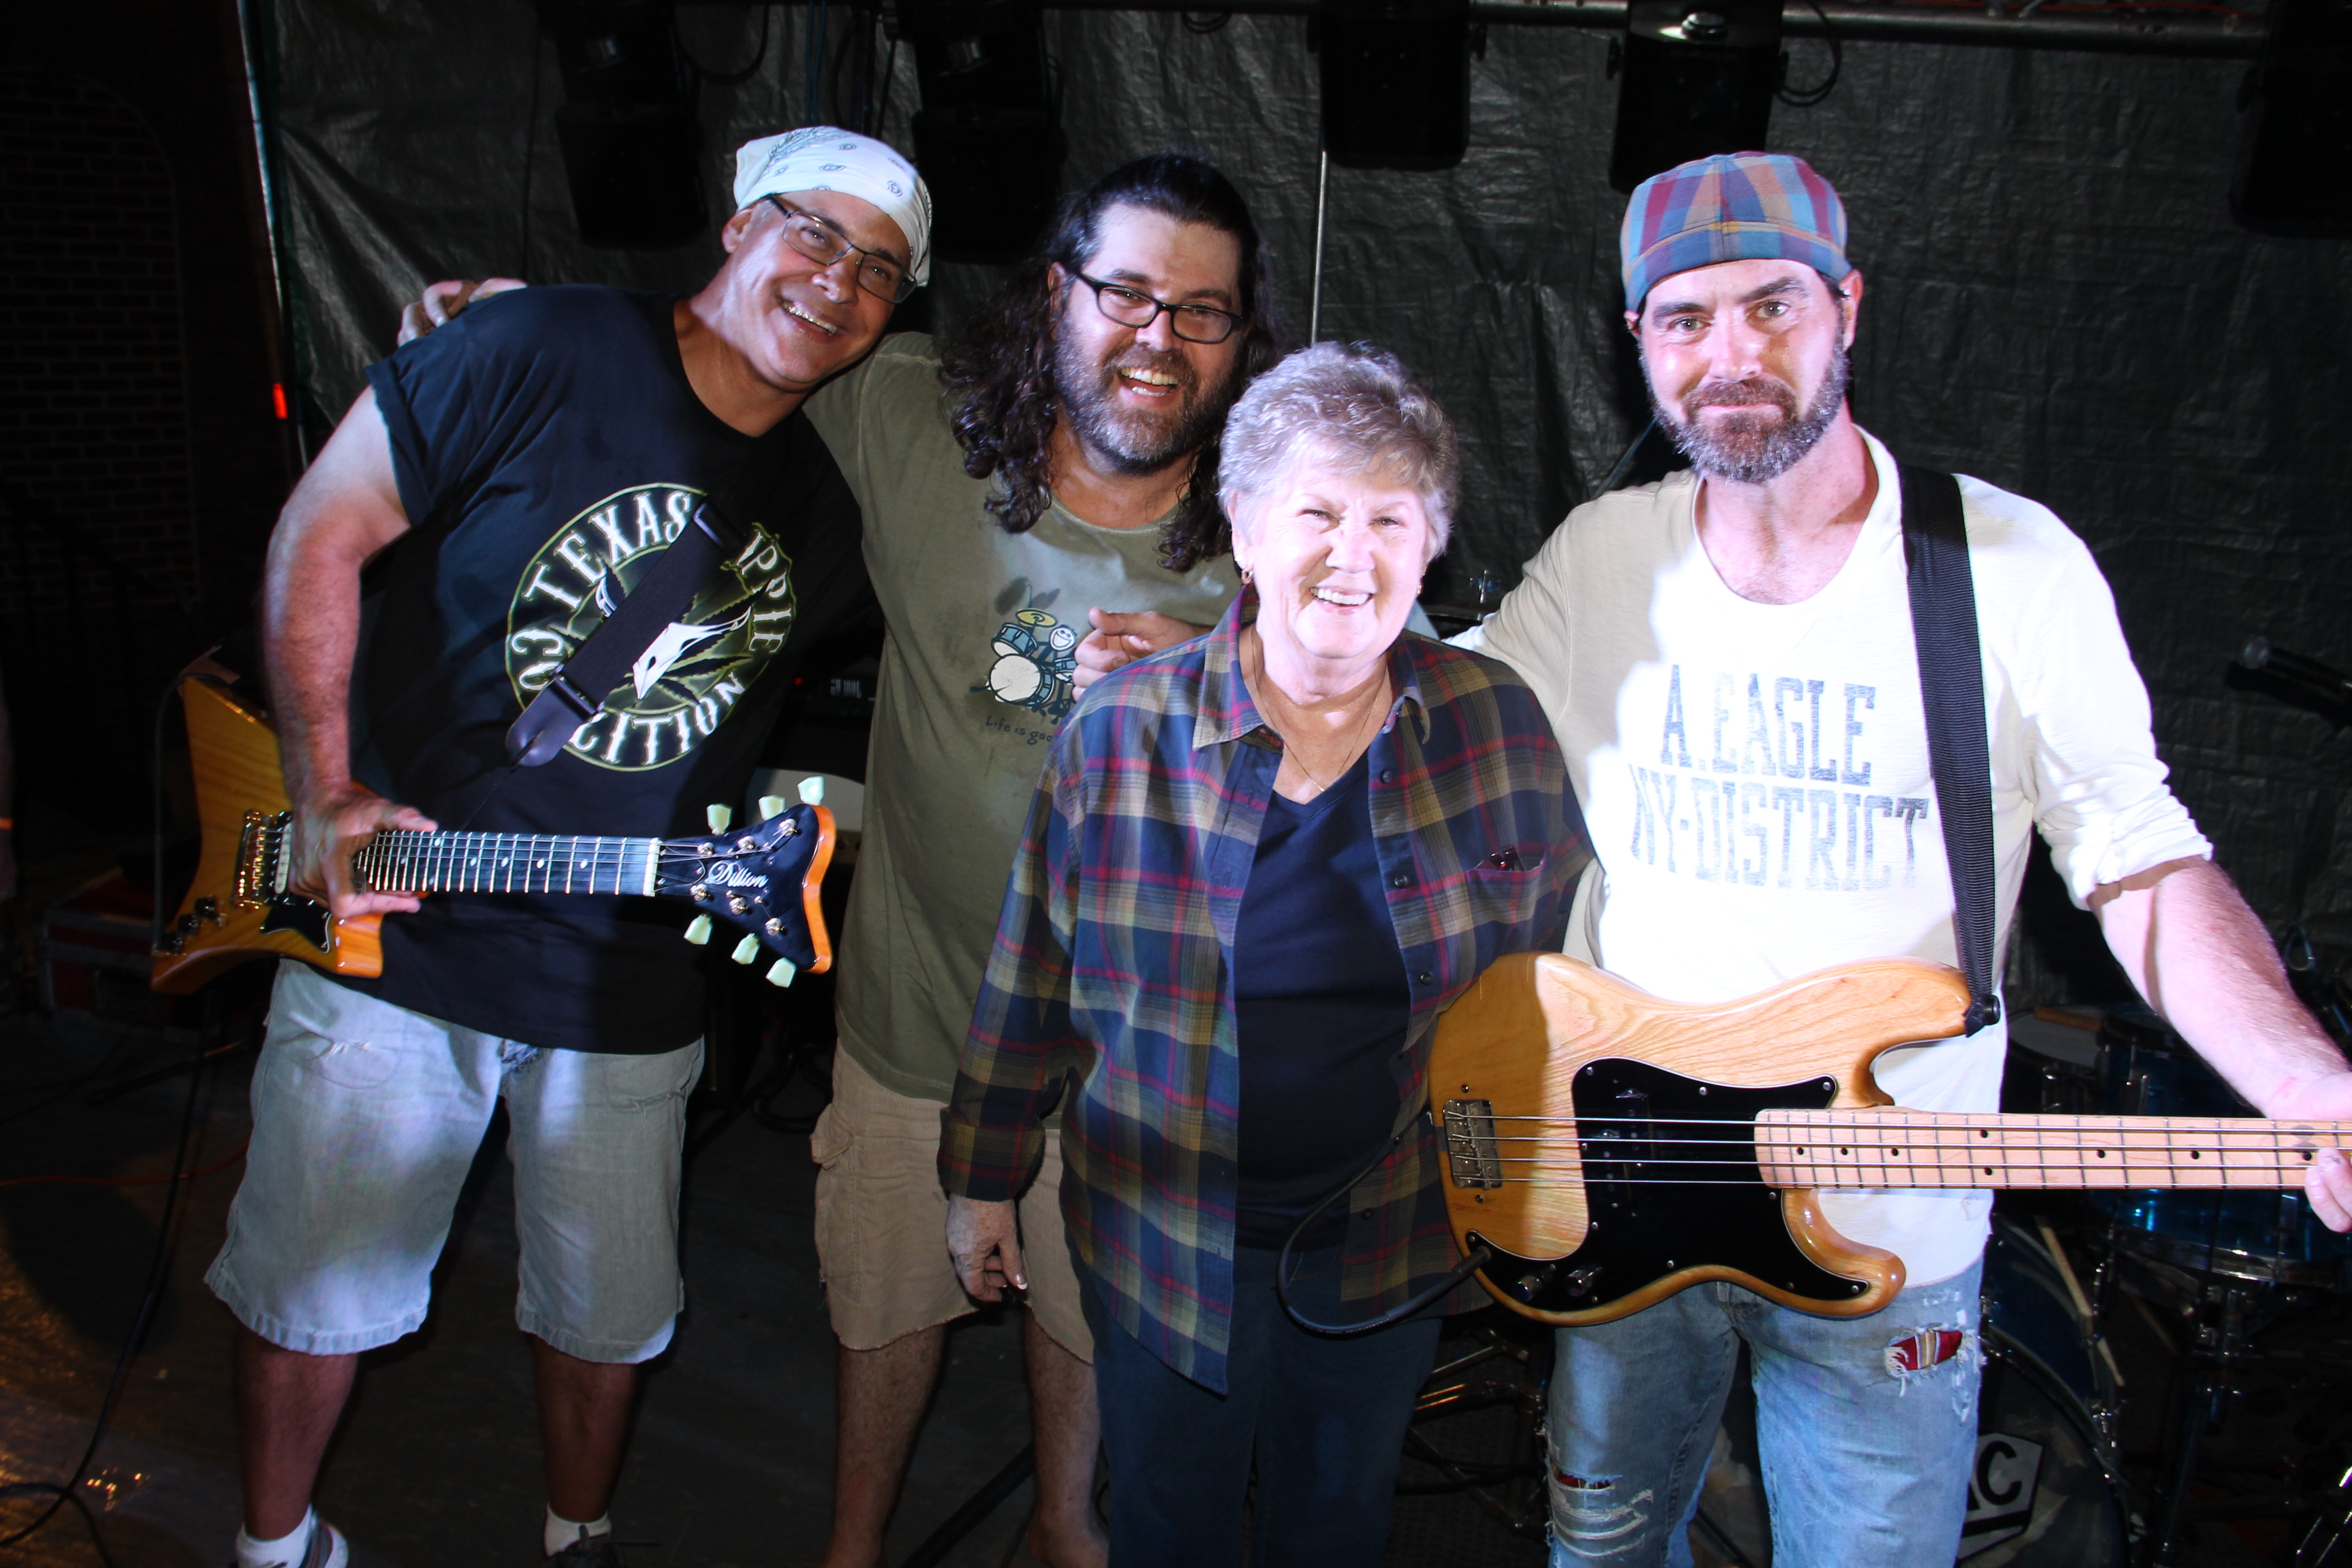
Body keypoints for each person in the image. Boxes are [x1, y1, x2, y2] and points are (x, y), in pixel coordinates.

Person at [1459, 150, 2352, 1566]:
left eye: (1774, 305)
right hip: (1618, 1180)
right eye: (1686, 319)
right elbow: (1436, 721)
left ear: (1849, 309)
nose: (1732, 355)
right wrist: (1235, 659)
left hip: (1889, 1229)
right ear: (1637, 341)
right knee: (1605, 1547)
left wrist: (2305, 1082)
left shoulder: (2008, 566)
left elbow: (2139, 861)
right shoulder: (1601, 556)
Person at [405, 151, 1278, 1568]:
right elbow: (741, 340)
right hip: (917, 1024)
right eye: (1125, 293)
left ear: (1242, 339)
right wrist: (537, 322)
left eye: (1203, 312)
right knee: (882, 1301)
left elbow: (1406, 710)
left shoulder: (1277, 520)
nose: (1158, 336)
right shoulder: (916, 415)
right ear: (1057, 293)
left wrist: (1237, 670)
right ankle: (852, 1546)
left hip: (1132, 1055)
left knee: (1084, 1311)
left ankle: (1065, 1521)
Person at [210, 128, 928, 1568]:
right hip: (402, 928)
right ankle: (274, 1549)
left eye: (878, 269)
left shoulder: (835, 506)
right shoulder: (538, 344)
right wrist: (323, 787)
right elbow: (320, 531)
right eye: (813, 231)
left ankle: (576, 1533)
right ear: (738, 224)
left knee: (610, 1321)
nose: (837, 280)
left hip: (629, 976)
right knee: (314, 1298)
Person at [940, 341, 1590, 1567]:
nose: (1354, 554)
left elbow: (1552, 992)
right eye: (1317, 512)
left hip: (1387, 1237)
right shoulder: (1120, 732)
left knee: (1335, 1530)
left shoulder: (1496, 723)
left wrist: (1521, 1187)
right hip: (1161, 1236)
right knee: (1170, 1527)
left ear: (1431, 547)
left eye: (1391, 519)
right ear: (1243, 527)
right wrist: (980, 1181)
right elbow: (1029, 977)